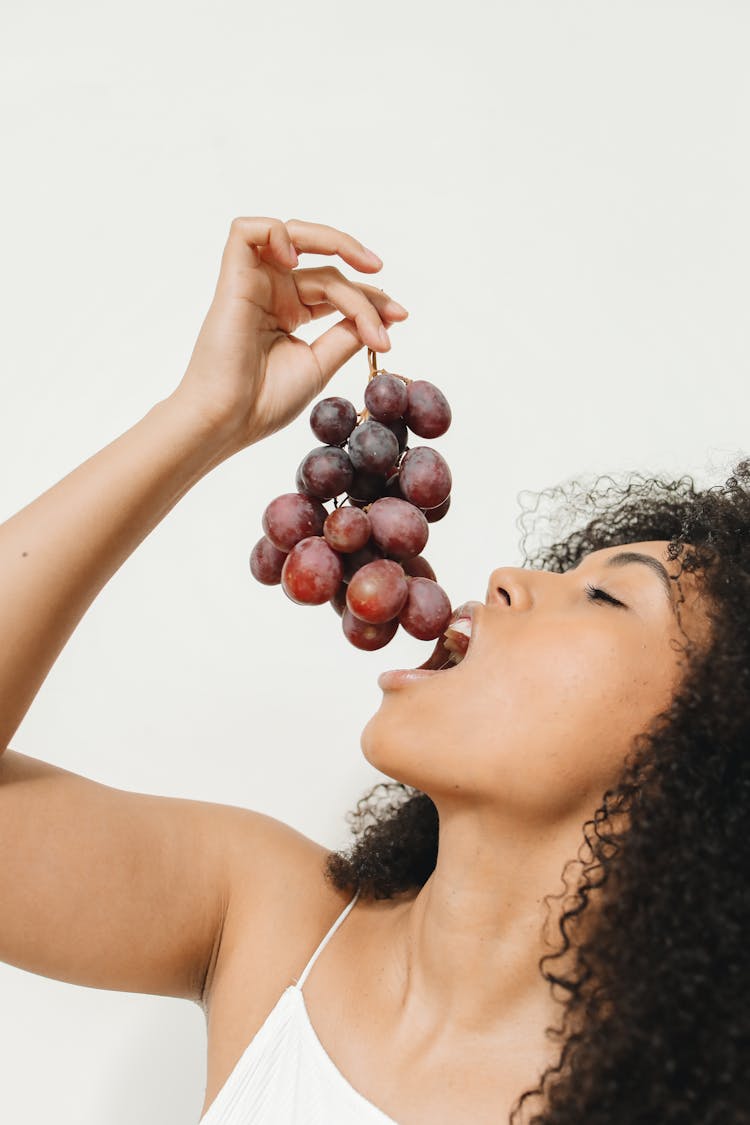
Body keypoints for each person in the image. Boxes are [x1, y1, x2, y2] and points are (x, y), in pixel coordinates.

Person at [0, 216, 746, 1125]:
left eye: (606, 597)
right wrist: (202, 416)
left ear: (709, 753)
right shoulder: (274, 923)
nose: (508, 579)